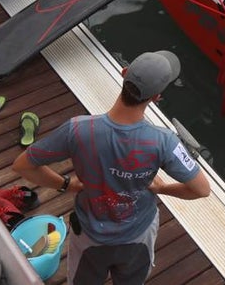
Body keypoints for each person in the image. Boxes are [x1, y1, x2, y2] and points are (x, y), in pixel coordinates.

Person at [13, 51, 211, 285]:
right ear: (157, 97)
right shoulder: (165, 141)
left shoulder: (77, 129)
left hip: (89, 235)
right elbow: (201, 189)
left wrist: (67, 184)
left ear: (124, 73)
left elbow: (23, 165)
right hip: (138, 235)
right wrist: (162, 189)